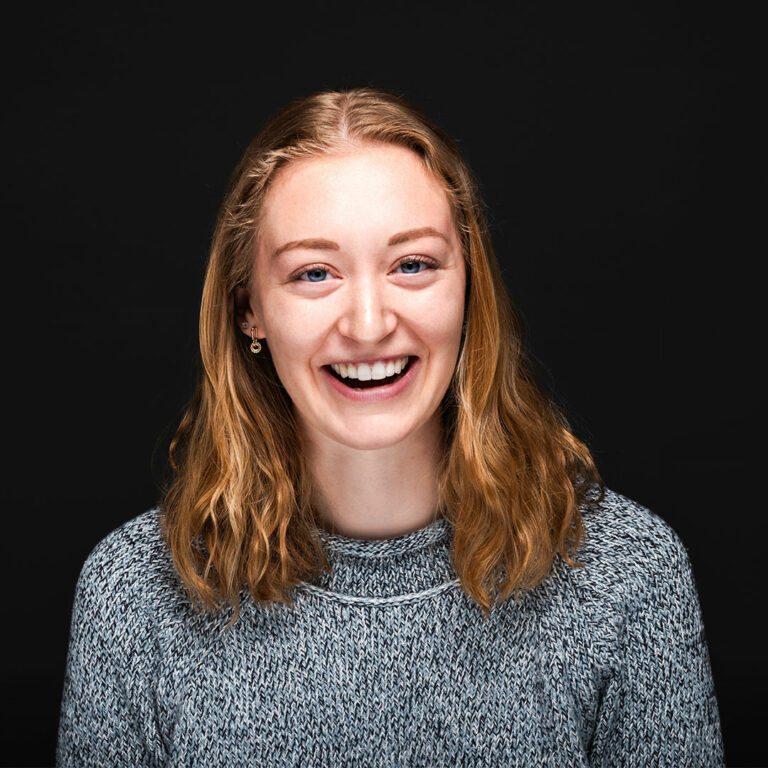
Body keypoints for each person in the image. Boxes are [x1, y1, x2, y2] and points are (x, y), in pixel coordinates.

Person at [56, 87, 725, 767]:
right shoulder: (134, 596)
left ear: (467, 286)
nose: (370, 324)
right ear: (248, 309)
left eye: (412, 264)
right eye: (315, 273)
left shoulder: (627, 575)